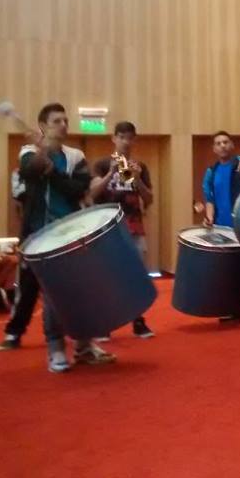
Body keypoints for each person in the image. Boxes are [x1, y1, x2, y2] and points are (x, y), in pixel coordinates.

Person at [0, 103, 114, 372]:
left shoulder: (75, 156)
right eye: (56, 121)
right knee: (47, 292)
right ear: (43, 126)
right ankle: (53, 347)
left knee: (79, 292)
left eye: (65, 120)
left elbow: (78, 189)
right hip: (38, 234)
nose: (63, 125)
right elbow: (29, 171)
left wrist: (52, 171)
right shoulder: (28, 152)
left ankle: (84, 346)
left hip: (70, 233)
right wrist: (43, 153)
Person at [88, 121, 155, 339]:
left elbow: (149, 199)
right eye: (121, 137)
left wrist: (138, 180)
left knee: (135, 276)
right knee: (105, 277)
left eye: (130, 138)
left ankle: (138, 322)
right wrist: (110, 173)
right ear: (113, 138)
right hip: (107, 229)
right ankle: (104, 323)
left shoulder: (139, 166)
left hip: (134, 226)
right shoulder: (101, 164)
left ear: (134, 140)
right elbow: (93, 193)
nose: (125, 142)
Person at [201, 130, 240, 325]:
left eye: (226, 142)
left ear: (232, 145)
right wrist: (209, 217)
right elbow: (209, 199)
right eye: (218, 143)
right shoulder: (211, 171)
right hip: (223, 229)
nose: (222, 145)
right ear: (214, 149)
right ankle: (235, 307)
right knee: (229, 270)